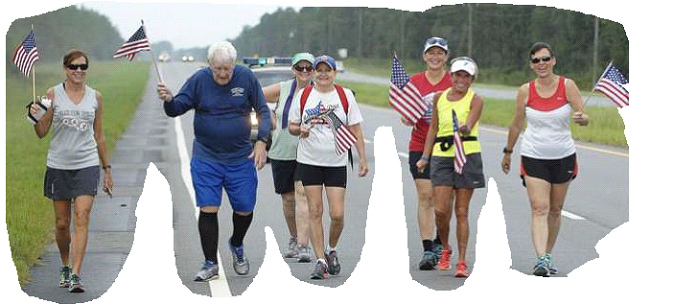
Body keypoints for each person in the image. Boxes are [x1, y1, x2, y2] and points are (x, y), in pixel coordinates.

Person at [156, 41, 271, 281]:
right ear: (209, 65)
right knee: (208, 207)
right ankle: (210, 263)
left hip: (240, 157)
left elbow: (263, 110)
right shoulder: (199, 80)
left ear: (233, 64)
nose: (222, 74)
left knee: (245, 208)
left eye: (226, 69)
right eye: (217, 69)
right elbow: (177, 108)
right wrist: (169, 99)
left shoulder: (246, 78)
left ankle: (237, 244)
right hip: (207, 157)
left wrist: (262, 141)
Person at [501, 42, 589, 277]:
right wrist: (508, 151)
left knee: (555, 210)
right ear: (531, 65)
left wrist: (582, 118)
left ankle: (548, 254)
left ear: (553, 61)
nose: (541, 64)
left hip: (563, 156)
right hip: (534, 155)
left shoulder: (567, 85)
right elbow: (517, 123)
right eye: (536, 60)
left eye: (545, 59)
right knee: (540, 207)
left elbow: (583, 115)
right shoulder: (525, 90)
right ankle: (540, 259)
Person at [30, 49, 114, 293]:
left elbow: (99, 135)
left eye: (83, 67)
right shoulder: (52, 94)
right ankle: (65, 265)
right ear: (65, 69)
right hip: (59, 165)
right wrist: (36, 118)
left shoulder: (95, 97)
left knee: (82, 217)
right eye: (74, 67)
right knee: (62, 223)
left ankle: (76, 274)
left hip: (86, 164)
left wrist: (106, 169)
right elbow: (41, 133)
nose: (79, 71)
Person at [288, 55, 369, 280]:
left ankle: (331, 248)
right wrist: (299, 130)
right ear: (313, 73)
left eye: (327, 70)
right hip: (309, 160)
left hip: (336, 161)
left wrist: (363, 159)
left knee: (337, 214)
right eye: (319, 70)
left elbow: (356, 129)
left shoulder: (344, 96)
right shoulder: (304, 95)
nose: (323, 74)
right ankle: (320, 260)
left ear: (334, 73)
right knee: (315, 210)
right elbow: (292, 125)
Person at [417, 57, 485, 278]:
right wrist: (425, 157)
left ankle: (462, 261)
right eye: (457, 75)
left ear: (472, 79)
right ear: (451, 76)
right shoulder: (439, 98)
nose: (461, 80)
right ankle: (445, 247)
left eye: (466, 76)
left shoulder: (476, 99)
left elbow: (471, 120)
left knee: (462, 211)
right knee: (440, 210)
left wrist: (464, 127)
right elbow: (433, 128)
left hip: (466, 155)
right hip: (442, 156)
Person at [401, 36, 453, 270]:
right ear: (424, 56)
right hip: (419, 146)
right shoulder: (415, 82)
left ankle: (440, 241)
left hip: (449, 147)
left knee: (443, 201)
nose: (435, 57)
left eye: (439, 53)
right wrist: (407, 116)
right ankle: (427, 250)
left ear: (446, 56)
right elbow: (405, 115)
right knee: (425, 197)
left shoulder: (455, 80)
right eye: (431, 53)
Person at [262, 52, 315, 263]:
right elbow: (255, 96)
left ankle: (304, 245)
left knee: (302, 195)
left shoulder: (318, 91)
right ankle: (294, 237)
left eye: (308, 68)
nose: (304, 72)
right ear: (293, 70)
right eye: (300, 68)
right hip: (282, 149)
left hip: (308, 151)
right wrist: (270, 118)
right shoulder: (283, 89)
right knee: (288, 198)